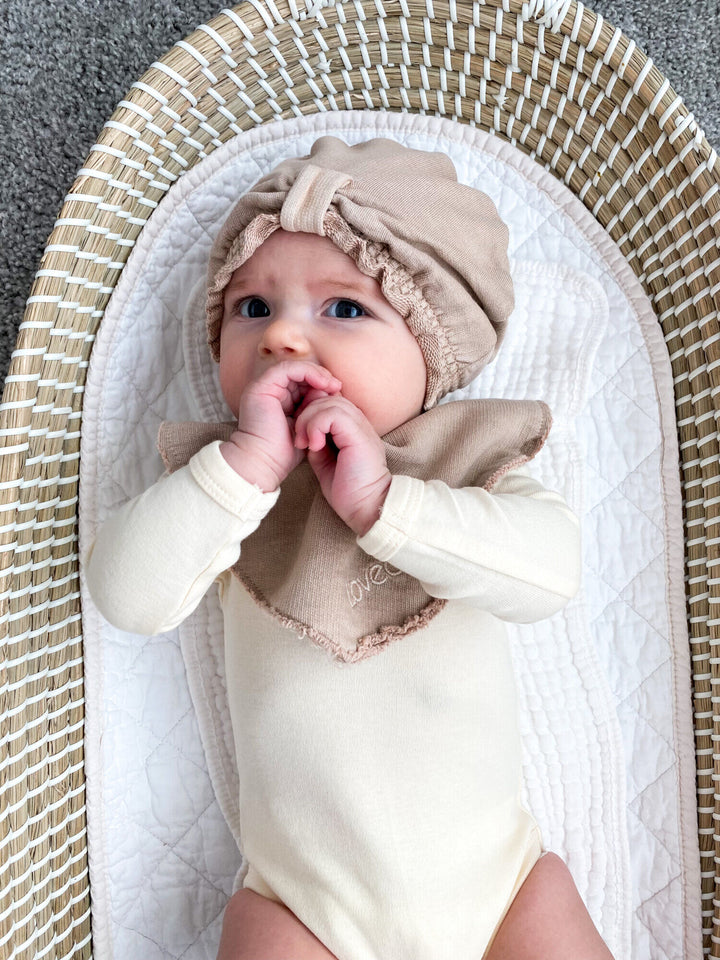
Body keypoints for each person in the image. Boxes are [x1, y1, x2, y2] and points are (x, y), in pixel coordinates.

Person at [85, 136, 614, 959]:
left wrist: (386, 505)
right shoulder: (229, 491)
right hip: (301, 911)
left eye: (343, 309)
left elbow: (552, 574)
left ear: (433, 346)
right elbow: (126, 592)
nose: (283, 340)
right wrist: (242, 469)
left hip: (505, 897)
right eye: (252, 308)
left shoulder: (467, 468)